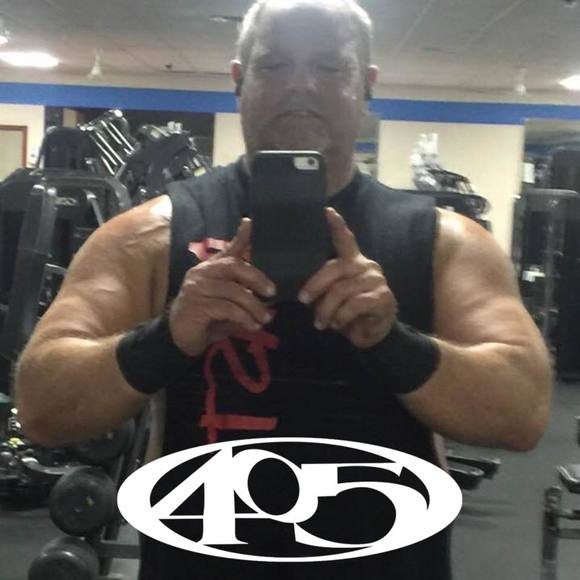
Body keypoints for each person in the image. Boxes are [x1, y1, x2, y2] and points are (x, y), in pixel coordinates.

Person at [15, 0, 552, 578]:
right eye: (273, 66)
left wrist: (392, 342)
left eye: (330, 67)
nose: (300, 85)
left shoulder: (444, 242)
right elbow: (42, 406)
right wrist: (168, 337)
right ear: (238, 80)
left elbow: (521, 412)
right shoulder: (151, 235)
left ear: (367, 84)